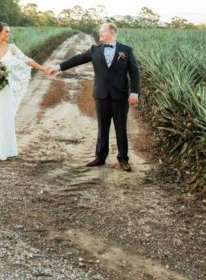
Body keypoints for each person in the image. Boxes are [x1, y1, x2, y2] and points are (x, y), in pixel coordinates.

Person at [47, 23, 140, 171]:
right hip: (101, 95)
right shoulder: (94, 50)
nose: (100, 34)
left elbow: (134, 72)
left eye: (102, 32)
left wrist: (134, 92)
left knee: (121, 128)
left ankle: (123, 159)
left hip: (120, 96)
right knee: (102, 128)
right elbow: (77, 59)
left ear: (112, 33)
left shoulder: (126, 50)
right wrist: (58, 67)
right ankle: (100, 157)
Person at [0, 22, 51, 160]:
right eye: (6, 31)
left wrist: (43, 68)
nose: (8, 34)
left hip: (6, 88)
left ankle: (4, 149)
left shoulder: (12, 48)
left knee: (4, 117)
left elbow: (26, 60)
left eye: (8, 31)